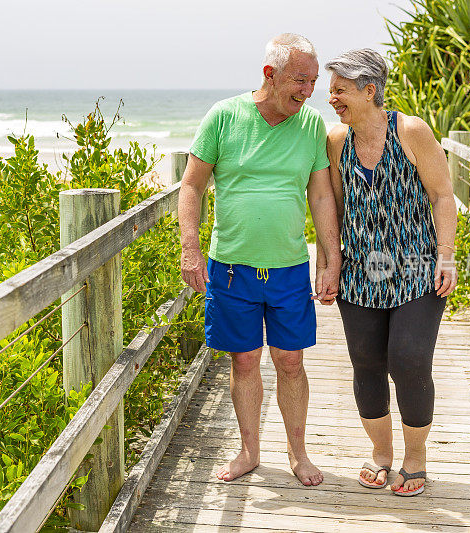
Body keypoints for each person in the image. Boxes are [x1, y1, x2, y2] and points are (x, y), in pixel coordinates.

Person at [178, 33, 342, 487]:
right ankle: (249, 451)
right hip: (230, 266)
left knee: (291, 360)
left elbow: (322, 195)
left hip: (289, 266)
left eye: (312, 81)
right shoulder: (223, 116)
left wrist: (331, 259)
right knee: (244, 360)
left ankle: (298, 452)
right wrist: (189, 249)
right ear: (269, 74)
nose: (308, 91)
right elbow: (191, 186)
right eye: (299, 80)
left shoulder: (310, 126)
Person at [323, 48, 458, 496]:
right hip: (360, 274)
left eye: (340, 90)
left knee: (410, 358)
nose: (332, 98)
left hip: (418, 268)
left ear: (370, 90)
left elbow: (442, 195)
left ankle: (415, 460)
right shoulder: (337, 141)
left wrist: (446, 255)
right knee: (366, 363)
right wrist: (331, 263)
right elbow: (337, 207)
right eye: (331, 90)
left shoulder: (411, 132)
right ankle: (381, 455)